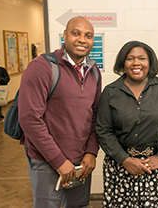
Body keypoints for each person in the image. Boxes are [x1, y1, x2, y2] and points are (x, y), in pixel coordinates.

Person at [18, 16, 102, 208]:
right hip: (46, 160)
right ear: (64, 35)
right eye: (75, 33)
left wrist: (91, 152)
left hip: (80, 160)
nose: (82, 39)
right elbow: (30, 119)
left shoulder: (94, 71)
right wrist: (58, 161)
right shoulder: (42, 67)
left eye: (88, 36)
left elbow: (96, 115)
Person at [96, 41, 158, 207]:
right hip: (121, 167)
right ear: (123, 62)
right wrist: (124, 160)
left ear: (150, 62)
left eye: (142, 58)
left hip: (157, 166)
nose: (136, 63)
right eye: (130, 58)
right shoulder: (110, 92)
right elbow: (103, 131)